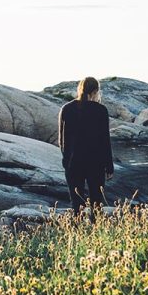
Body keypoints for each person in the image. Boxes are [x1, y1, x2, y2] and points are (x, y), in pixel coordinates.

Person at [58, 76, 114, 220]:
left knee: (77, 205)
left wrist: (66, 160)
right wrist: (109, 167)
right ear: (95, 91)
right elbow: (105, 141)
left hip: (74, 163)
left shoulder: (66, 108)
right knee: (97, 204)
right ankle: (96, 234)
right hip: (96, 163)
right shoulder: (101, 110)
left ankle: (77, 234)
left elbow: (62, 140)